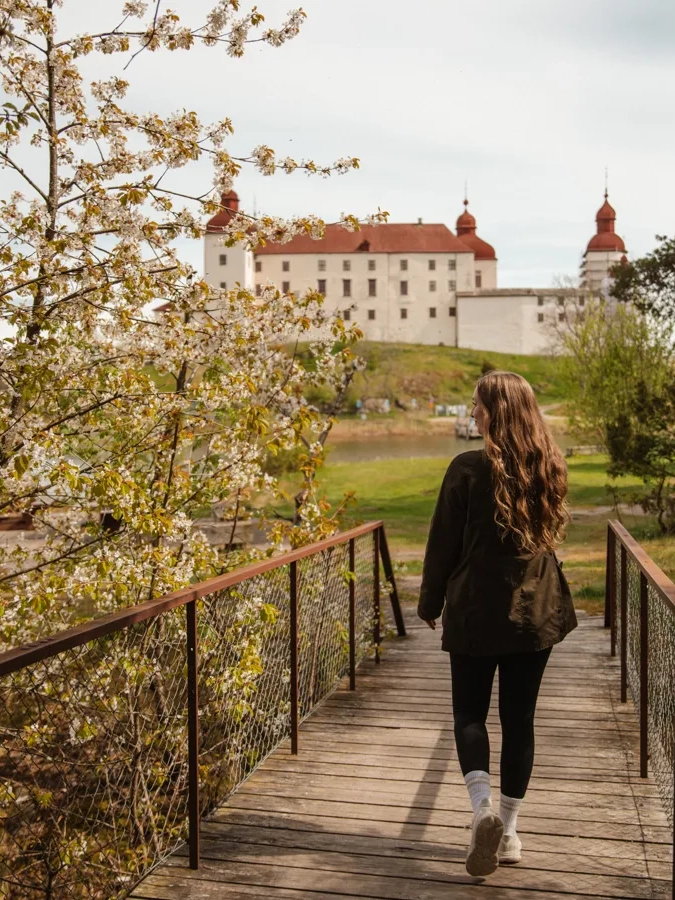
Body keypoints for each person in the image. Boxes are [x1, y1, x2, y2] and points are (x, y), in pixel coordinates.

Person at [418, 370, 576, 878]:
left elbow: (443, 543)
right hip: (536, 612)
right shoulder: (549, 465)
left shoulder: (466, 468)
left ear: (497, 411)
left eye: (477, 406)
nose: (471, 414)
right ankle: (508, 832)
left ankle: (481, 809)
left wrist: (429, 601)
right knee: (520, 719)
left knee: (469, 714)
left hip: (474, 612)